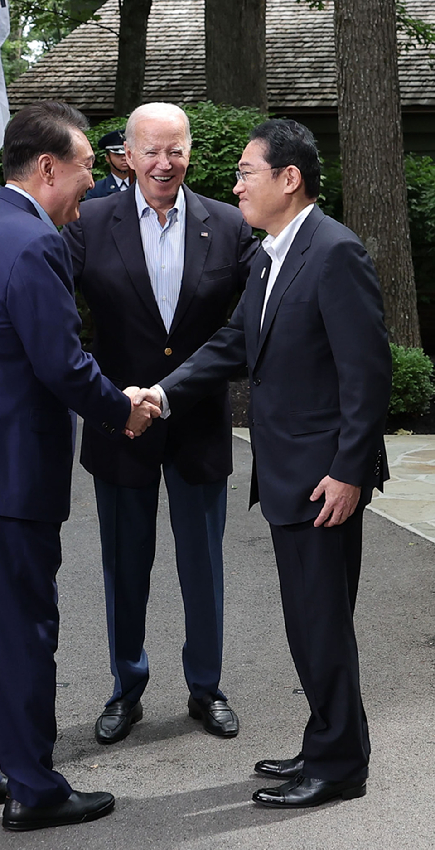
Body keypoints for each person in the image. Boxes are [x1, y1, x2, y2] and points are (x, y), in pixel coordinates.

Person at [0, 100, 159, 833]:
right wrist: (124, 408)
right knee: (18, 629)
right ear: (48, 168)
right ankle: (35, 789)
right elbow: (63, 366)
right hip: (0, 472)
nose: (95, 183)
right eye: (85, 169)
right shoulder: (35, 245)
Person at [136, 118, 392, 808]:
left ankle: (340, 766)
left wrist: (350, 470)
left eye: (248, 171)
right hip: (289, 474)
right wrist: (161, 393)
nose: (236, 184)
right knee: (309, 623)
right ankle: (327, 743)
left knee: (322, 624)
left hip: (322, 479)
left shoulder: (335, 253)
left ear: (289, 178)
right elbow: (233, 344)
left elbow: (368, 375)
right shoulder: (274, 253)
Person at [62, 102, 258, 745]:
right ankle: (127, 686)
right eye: (150, 150)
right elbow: (55, 315)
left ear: (191, 152)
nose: (163, 163)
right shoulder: (88, 221)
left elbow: (249, 320)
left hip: (198, 422)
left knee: (203, 564)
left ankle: (207, 687)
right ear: (126, 154)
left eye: (175, 149)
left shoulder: (228, 225)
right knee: (125, 565)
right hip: (121, 425)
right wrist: (107, 395)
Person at [83, 129, 132, 199]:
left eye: (127, 154)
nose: (124, 158)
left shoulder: (143, 186)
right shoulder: (96, 190)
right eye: (117, 155)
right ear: (108, 158)